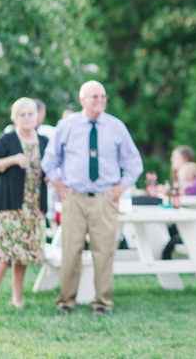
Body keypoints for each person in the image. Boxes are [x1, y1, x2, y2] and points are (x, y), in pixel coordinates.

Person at [41, 80, 143, 315]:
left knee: (104, 251)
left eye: (103, 96)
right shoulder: (67, 125)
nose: (100, 101)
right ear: (82, 100)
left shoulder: (116, 127)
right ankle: (66, 300)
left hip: (104, 199)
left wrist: (121, 186)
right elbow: (49, 160)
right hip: (73, 198)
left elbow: (134, 162)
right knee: (70, 250)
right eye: (95, 97)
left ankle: (102, 302)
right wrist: (57, 182)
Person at [0, 98, 49, 310]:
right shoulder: (7, 140)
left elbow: (51, 166)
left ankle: (16, 299)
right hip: (8, 206)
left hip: (33, 206)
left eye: (31, 114)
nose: (28, 118)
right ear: (15, 117)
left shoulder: (44, 141)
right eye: (23, 114)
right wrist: (13, 160)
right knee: (4, 255)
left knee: (22, 256)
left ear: (37, 117)